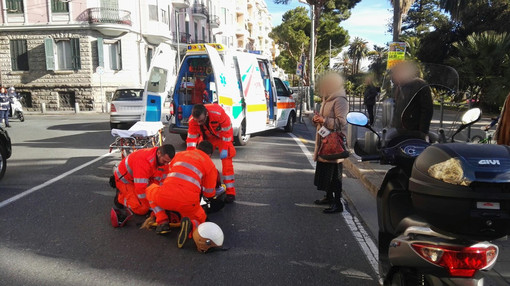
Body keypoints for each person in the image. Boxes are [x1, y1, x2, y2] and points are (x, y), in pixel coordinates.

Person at [146, 141, 221, 248]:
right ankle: (192, 225)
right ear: (209, 155)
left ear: (197, 148)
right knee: (201, 219)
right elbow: (209, 193)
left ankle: (162, 221)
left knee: (150, 189)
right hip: (188, 202)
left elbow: (171, 174)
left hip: (165, 196)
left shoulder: (181, 154)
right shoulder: (209, 164)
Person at [110, 144, 175, 228]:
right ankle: (120, 197)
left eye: (168, 162)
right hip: (125, 181)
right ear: (159, 153)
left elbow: (162, 181)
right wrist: (151, 205)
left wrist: (161, 198)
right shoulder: (143, 161)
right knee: (142, 209)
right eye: (164, 161)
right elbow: (141, 190)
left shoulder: (162, 162)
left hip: (140, 179)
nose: (166, 164)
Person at [312, 72, 349, 214]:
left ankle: (337, 202)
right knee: (326, 172)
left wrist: (323, 120)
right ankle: (328, 197)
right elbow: (324, 118)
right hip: (324, 141)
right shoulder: (327, 98)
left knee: (334, 175)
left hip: (334, 144)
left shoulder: (340, 100)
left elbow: (341, 122)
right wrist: (317, 119)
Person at [186, 103, 237, 203]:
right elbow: (191, 139)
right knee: (199, 163)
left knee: (227, 162)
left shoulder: (217, 113)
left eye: (201, 121)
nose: (199, 123)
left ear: (206, 114)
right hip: (207, 138)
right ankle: (200, 189)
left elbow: (227, 130)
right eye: (197, 121)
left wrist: (226, 147)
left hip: (223, 138)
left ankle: (230, 192)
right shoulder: (193, 121)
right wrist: (191, 156)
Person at [391, 61, 433, 139]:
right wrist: (394, 125)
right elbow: (397, 108)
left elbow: (427, 110)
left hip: (414, 132)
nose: (394, 76)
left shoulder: (420, 85)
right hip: (399, 130)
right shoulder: (399, 87)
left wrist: (422, 132)